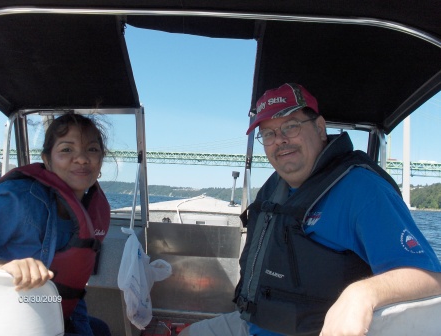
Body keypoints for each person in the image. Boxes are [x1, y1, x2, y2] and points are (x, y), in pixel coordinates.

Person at [180, 83, 441, 336]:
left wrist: (362, 294)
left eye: (290, 127)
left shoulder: (362, 191)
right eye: (268, 134)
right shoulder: (274, 188)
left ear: (319, 127)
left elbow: (430, 277)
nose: (280, 140)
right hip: (254, 323)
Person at [0, 113, 112, 335]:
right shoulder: (17, 199)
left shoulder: (91, 209)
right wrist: (1, 267)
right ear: (47, 159)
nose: (82, 159)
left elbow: (70, 287)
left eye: (92, 150)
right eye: (67, 149)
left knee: (100, 330)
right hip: (9, 319)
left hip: (55, 314)